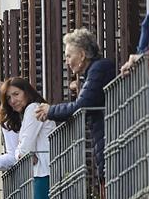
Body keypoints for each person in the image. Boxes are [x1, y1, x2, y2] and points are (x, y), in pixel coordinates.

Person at [35, 29, 115, 170]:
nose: (67, 62)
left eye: (69, 56)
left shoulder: (98, 69)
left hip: (111, 137)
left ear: (82, 55)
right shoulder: (94, 71)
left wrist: (50, 110)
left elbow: (82, 105)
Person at [4, 77, 57, 199]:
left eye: (16, 94)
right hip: (44, 171)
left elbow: (23, 150)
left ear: (27, 92)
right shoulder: (32, 110)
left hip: (44, 173)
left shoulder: (33, 108)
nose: (13, 101)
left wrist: (23, 151)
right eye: (9, 98)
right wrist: (23, 151)